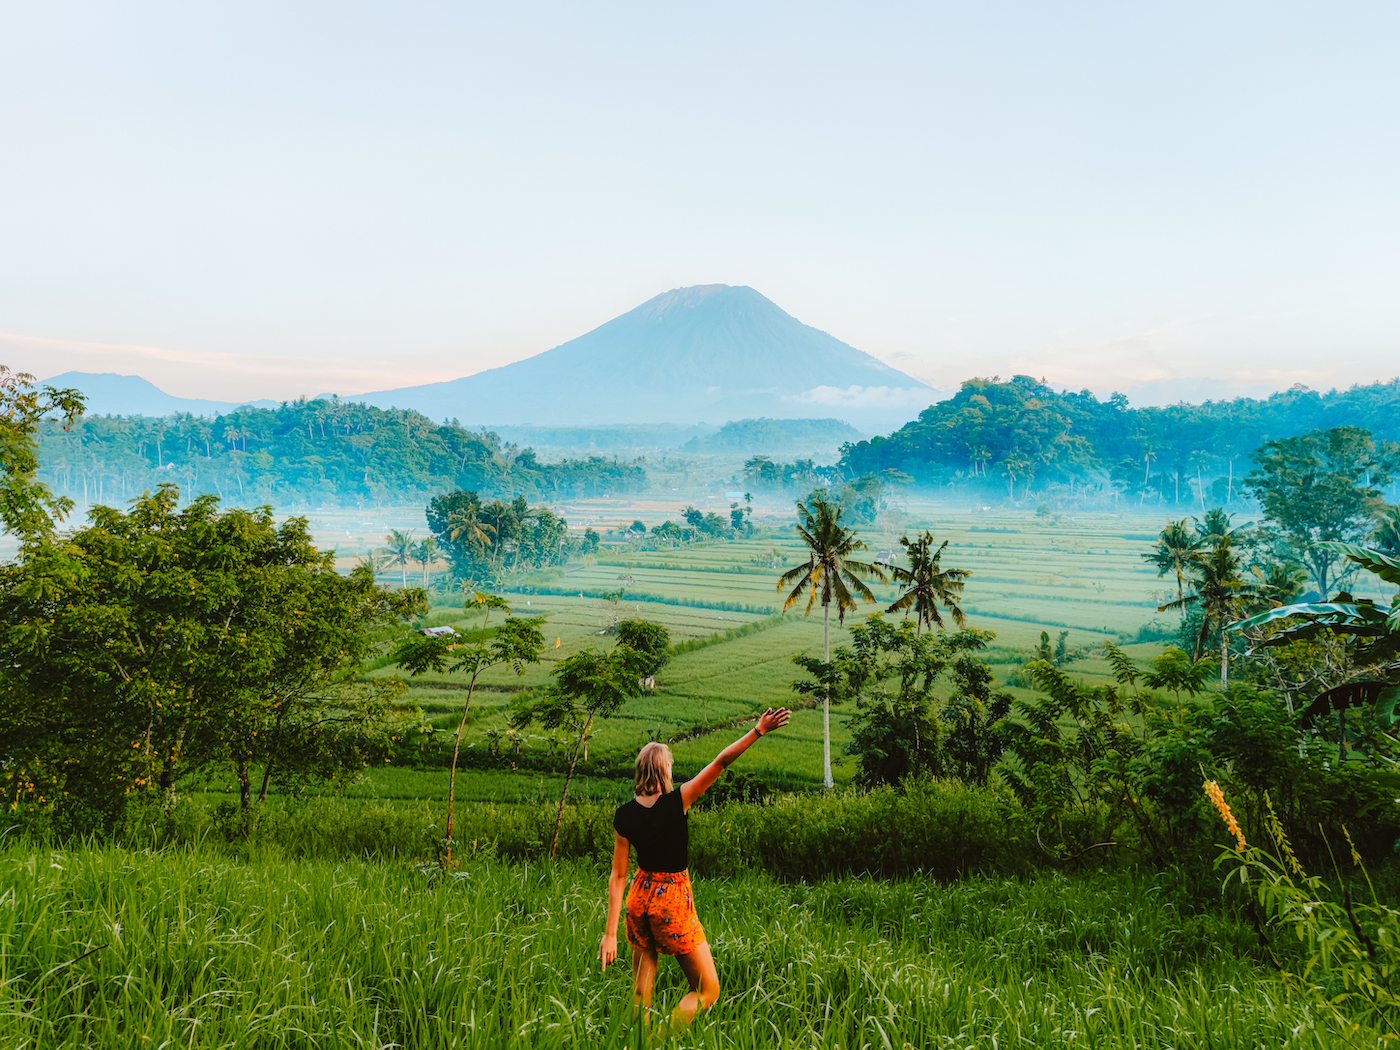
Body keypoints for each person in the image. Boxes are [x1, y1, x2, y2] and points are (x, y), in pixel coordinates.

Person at [598, 707, 792, 1033]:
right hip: (671, 901)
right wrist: (758, 730)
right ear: (663, 770)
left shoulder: (624, 815)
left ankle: (638, 1043)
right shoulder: (678, 801)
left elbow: (618, 875)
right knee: (708, 990)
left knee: (641, 992)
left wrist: (610, 933)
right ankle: (659, 1038)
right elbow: (721, 762)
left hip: (639, 898)